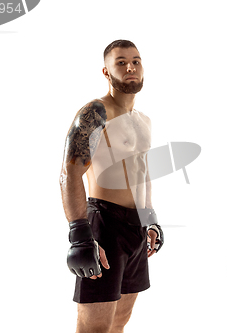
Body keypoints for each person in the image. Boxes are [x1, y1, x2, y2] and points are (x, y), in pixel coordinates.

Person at [59, 39, 164, 333]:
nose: (130, 67)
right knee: (95, 327)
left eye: (136, 60)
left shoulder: (144, 121)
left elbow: (142, 172)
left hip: (136, 229)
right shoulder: (95, 113)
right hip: (104, 224)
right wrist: (79, 234)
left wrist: (150, 219)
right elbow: (70, 172)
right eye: (121, 62)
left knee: (119, 321)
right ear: (106, 72)